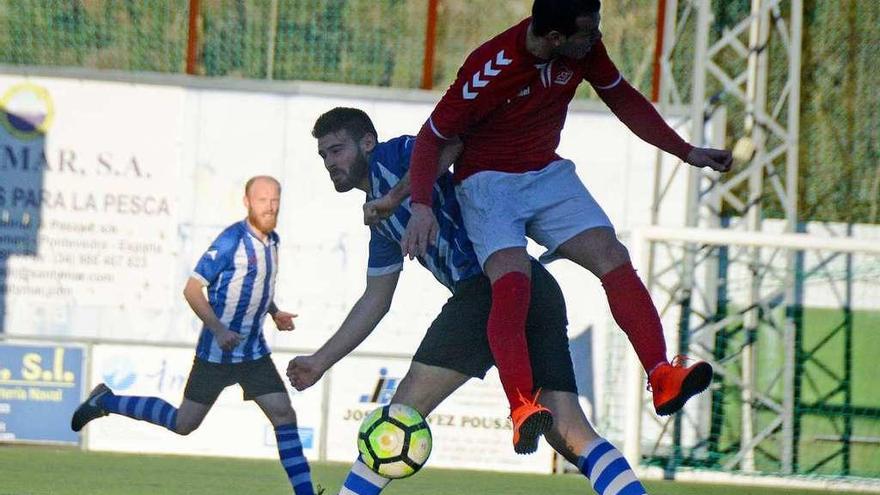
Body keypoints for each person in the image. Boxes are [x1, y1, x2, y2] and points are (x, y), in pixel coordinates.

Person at [288, 107, 648, 495]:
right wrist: (319, 361)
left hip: (487, 287)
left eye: (337, 150)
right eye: (323, 155)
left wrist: (406, 200)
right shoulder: (381, 217)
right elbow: (376, 299)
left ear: (368, 143)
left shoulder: (399, 154)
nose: (330, 162)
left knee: (401, 412)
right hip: (532, 285)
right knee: (570, 432)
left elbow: (450, 144)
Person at [396, 0, 729, 417]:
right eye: (588, 31)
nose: (596, 37)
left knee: (613, 257)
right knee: (514, 284)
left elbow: (623, 99)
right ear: (554, 38)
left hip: (546, 172)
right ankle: (522, 408)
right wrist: (421, 205)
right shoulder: (490, 66)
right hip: (487, 182)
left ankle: (661, 376)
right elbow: (431, 138)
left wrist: (686, 151)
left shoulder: (585, 48)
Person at [70, 176, 319, 495]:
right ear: (247, 202)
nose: (270, 207)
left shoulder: (274, 242)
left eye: (275, 200)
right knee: (183, 424)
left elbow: (255, 285)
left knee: (284, 415)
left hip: (252, 353)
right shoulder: (231, 241)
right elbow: (191, 289)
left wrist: (273, 312)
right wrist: (218, 329)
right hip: (216, 353)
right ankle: (105, 400)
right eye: (262, 200)